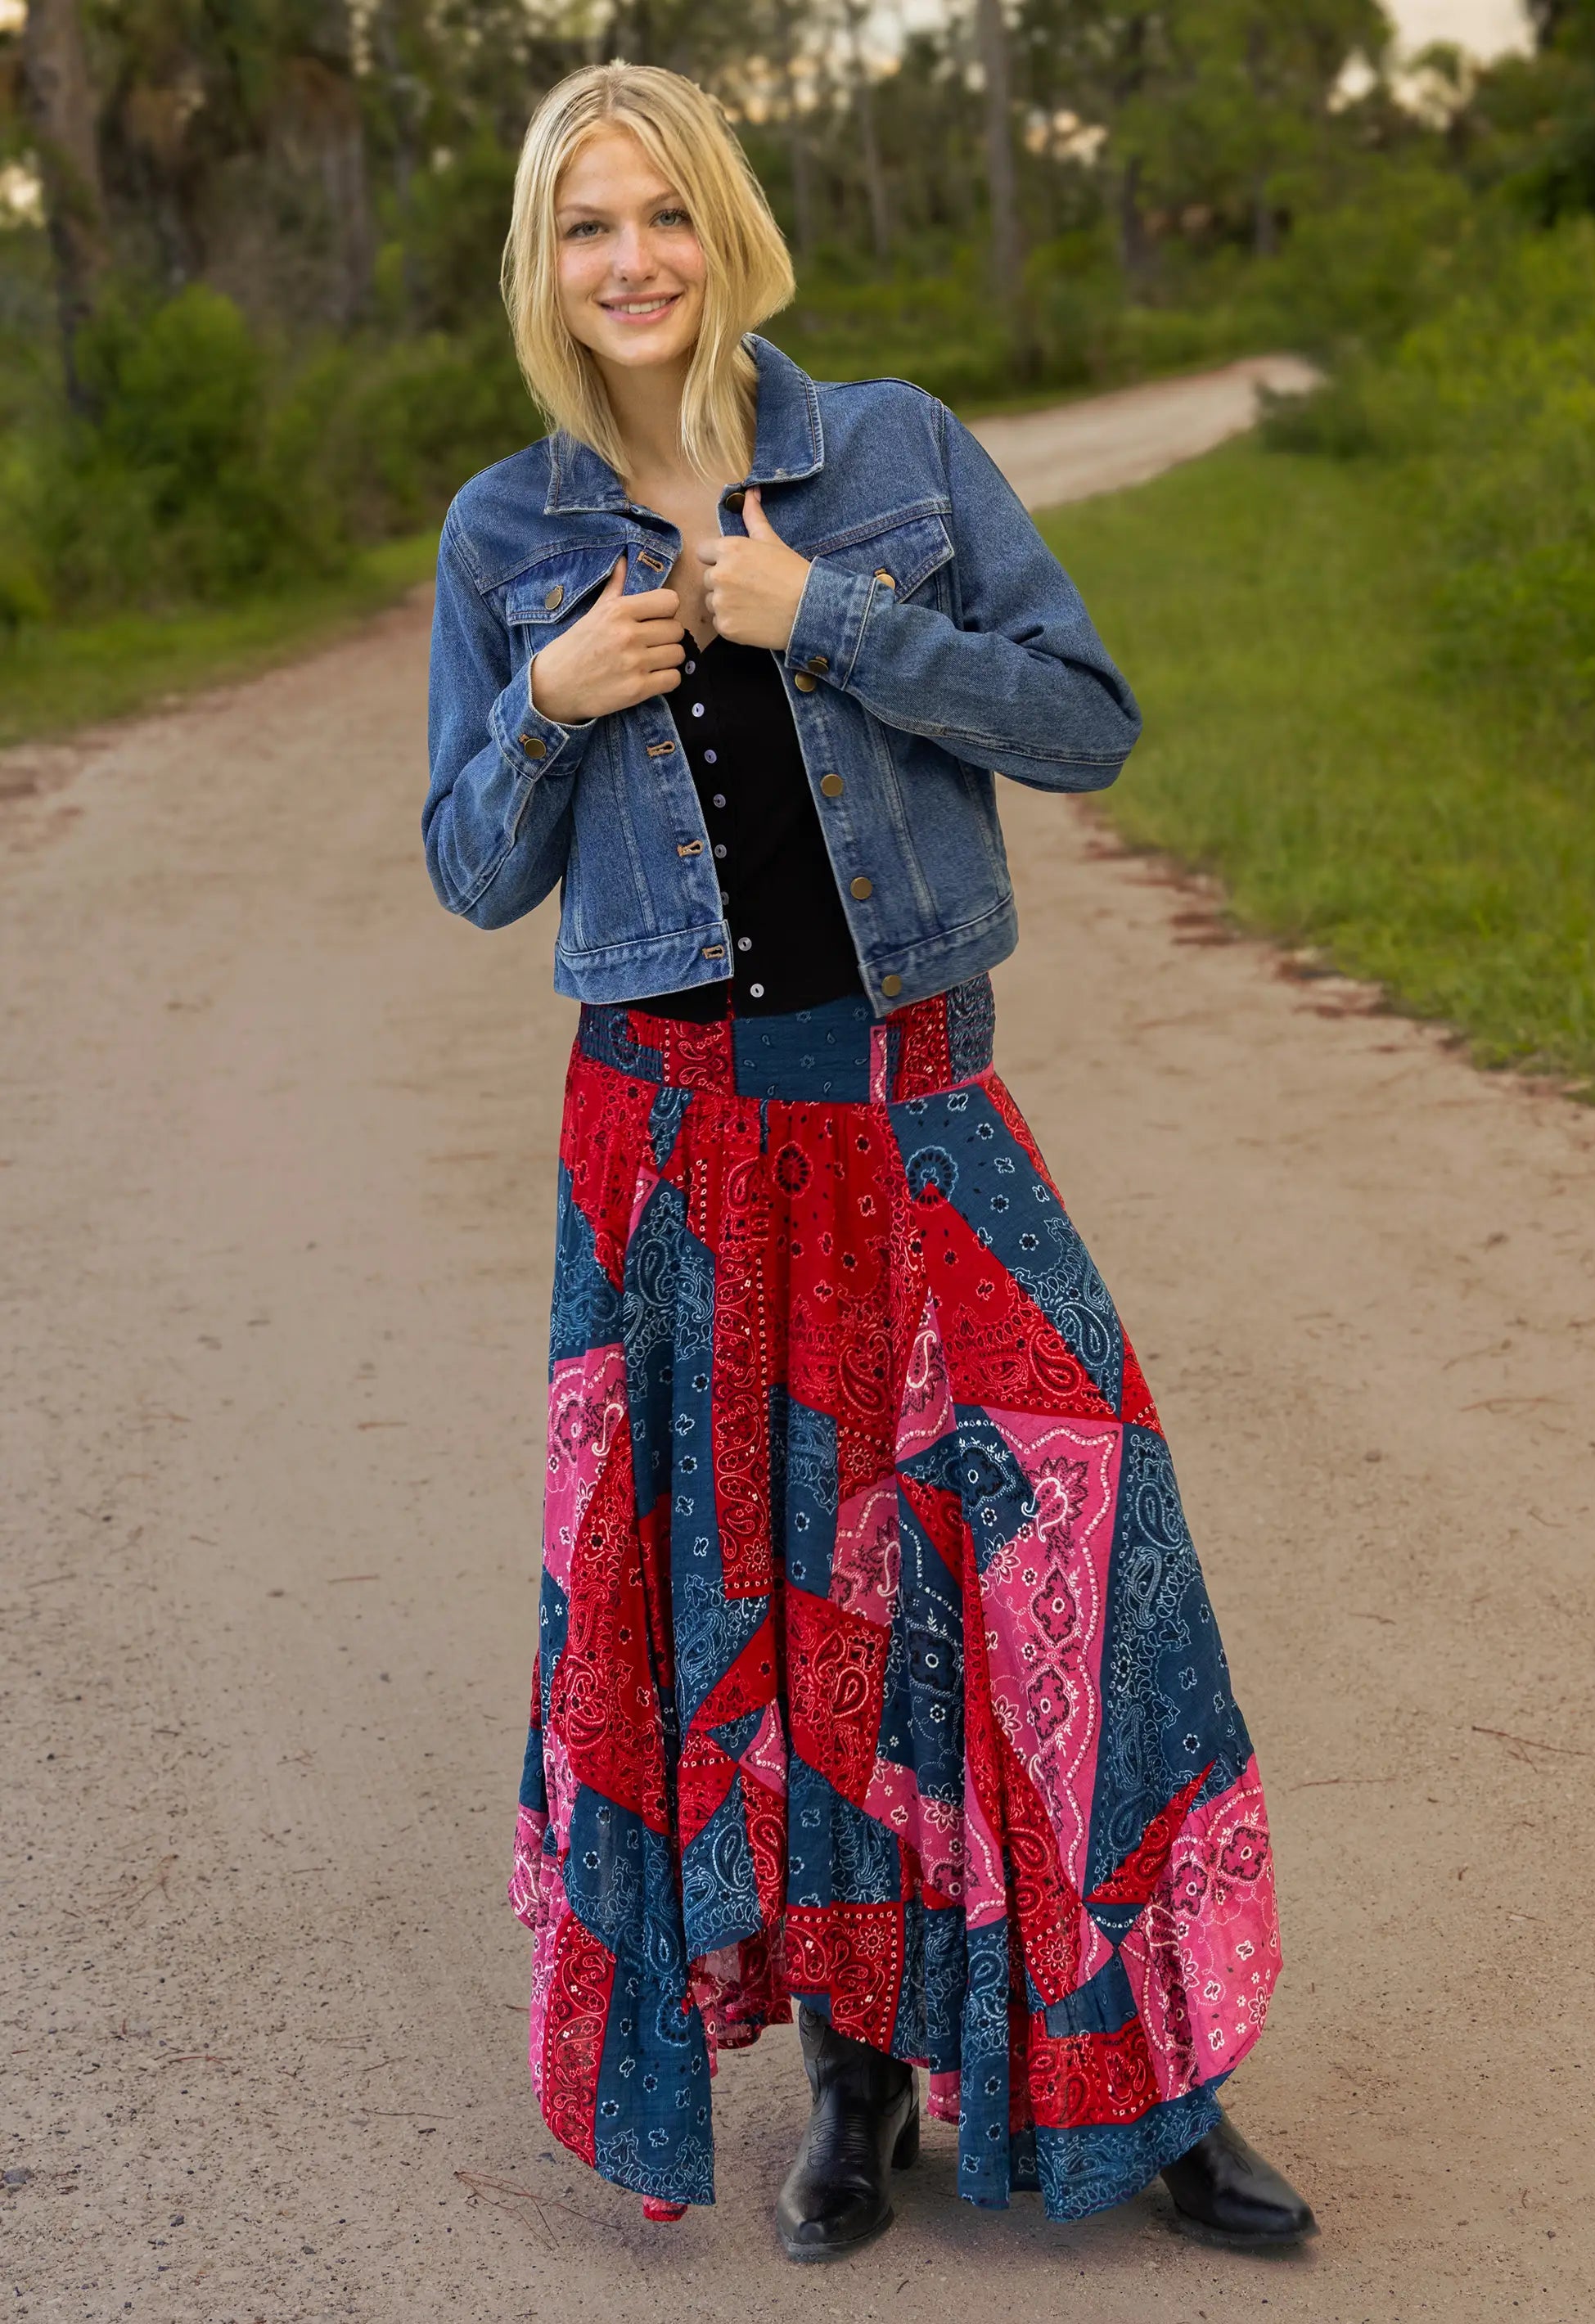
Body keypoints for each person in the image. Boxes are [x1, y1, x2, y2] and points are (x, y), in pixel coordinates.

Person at [421, 60, 1315, 2264]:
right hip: (673, 1160)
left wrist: (816, 615)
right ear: (544, 272)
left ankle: (1161, 2086)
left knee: (1073, 1572)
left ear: (723, 227)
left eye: (657, 214)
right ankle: (850, 2092)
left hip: (914, 1109)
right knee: (777, 1620)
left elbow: (1081, 719)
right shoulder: (506, 536)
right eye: (579, 228)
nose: (627, 260)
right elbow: (465, 869)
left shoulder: (888, 453)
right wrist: (549, 696)